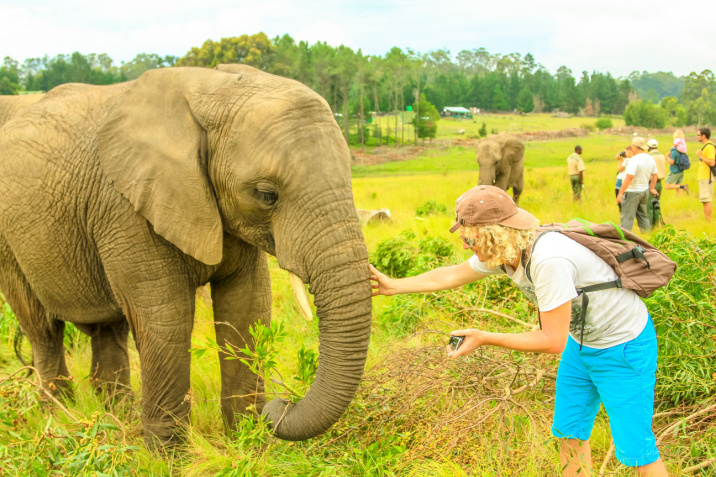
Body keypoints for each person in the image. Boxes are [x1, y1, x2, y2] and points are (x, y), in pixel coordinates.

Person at [369, 185, 668, 477]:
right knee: (570, 433)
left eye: (470, 240)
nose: (464, 246)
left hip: (623, 348)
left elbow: (552, 341)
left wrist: (484, 337)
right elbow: (454, 273)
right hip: (581, 345)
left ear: (493, 235)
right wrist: (394, 286)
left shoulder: (549, 260)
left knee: (636, 452)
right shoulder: (507, 251)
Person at [617, 137, 658, 233]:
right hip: (644, 191)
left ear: (635, 147)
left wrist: (621, 192)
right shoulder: (650, 158)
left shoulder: (634, 159)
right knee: (643, 217)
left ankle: (625, 240)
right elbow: (655, 175)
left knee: (627, 217)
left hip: (632, 191)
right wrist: (651, 188)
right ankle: (647, 237)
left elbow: (629, 177)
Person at [696, 127, 716, 222]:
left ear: (704, 136)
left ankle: (708, 222)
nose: (697, 137)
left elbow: (712, 162)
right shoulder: (707, 146)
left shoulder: (709, 147)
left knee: (706, 200)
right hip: (704, 177)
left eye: (698, 135)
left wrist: (700, 156)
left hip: (707, 177)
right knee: (705, 200)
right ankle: (707, 221)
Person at [646, 139, 667, 227]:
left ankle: (649, 227)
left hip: (651, 183)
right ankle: (656, 225)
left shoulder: (649, 157)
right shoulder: (662, 156)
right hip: (659, 183)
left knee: (649, 206)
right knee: (656, 204)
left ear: (648, 148)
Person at [663, 130, 689, 196]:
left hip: (675, 170)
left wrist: (667, 157)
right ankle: (679, 200)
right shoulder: (682, 151)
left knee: (667, 186)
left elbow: (671, 162)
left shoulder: (674, 151)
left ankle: (683, 187)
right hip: (681, 170)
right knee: (677, 187)